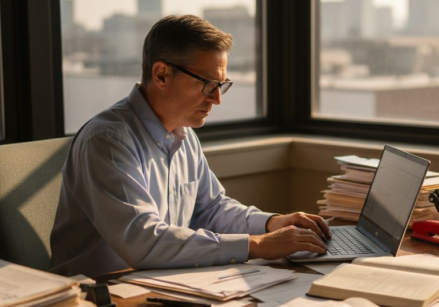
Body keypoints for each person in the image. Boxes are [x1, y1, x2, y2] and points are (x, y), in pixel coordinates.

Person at [49, 15, 328, 277]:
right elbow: (143, 241)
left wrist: (272, 224)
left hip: (158, 283)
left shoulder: (183, 134)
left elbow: (211, 209)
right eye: (208, 84)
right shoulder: (107, 140)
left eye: (221, 85)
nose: (217, 99)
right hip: (95, 295)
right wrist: (256, 244)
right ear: (161, 75)